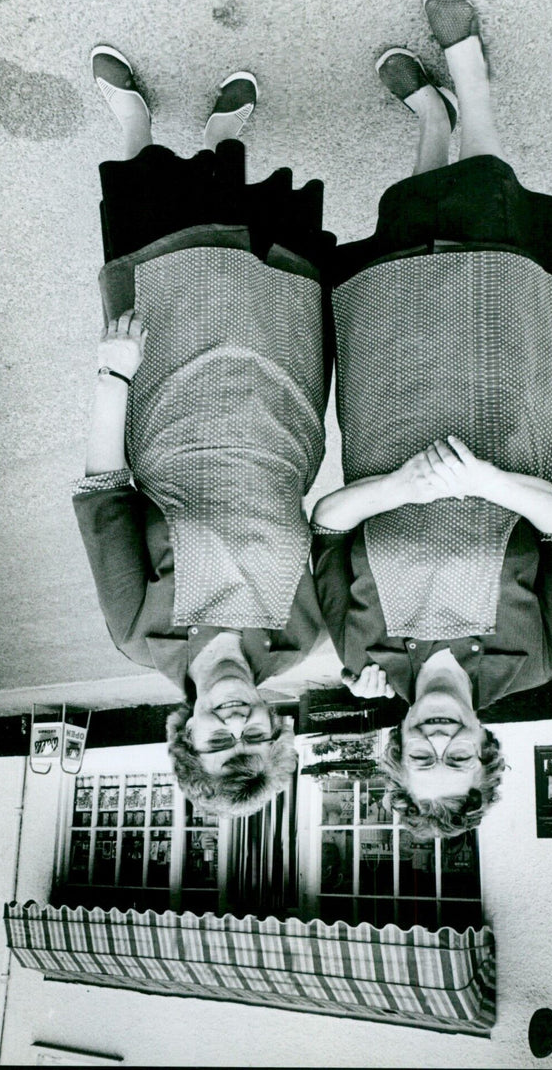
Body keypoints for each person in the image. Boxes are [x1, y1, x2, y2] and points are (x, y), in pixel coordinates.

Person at [311, 0, 552, 838]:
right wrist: (490, 481)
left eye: (421, 758)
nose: (439, 743)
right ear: (486, 747)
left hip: (389, 418)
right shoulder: (533, 660)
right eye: (459, 758)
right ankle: (469, 84)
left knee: (405, 253)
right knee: (489, 236)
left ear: (395, 749)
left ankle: (429, 125)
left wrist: (398, 487)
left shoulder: (360, 657)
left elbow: (326, 528)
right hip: (504, 407)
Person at [73, 45, 335, 816]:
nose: (236, 727)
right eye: (255, 741)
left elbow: (102, 496)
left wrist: (115, 374)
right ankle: (225, 137)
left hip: (169, 392)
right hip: (280, 400)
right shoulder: (303, 636)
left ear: (183, 731)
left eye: (218, 744)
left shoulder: (139, 634)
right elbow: (340, 531)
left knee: (155, 248)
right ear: (275, 730)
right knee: (253, 255)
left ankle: (136, 125)